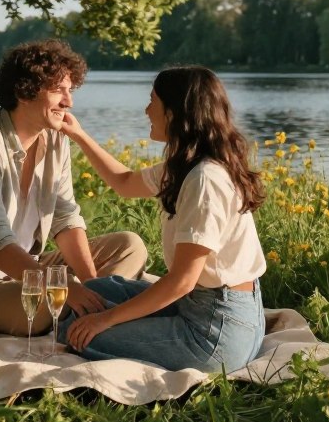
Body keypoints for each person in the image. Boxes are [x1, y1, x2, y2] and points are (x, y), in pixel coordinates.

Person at [0, 39, 148, 336]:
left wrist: (91, 284)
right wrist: (63, 288)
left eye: (70, 90)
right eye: (58, 90)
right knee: (46, 303)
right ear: (24, 91)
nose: (68, 102)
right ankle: (90, 318)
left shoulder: (55, 138)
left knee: (130, 246)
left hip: (30, 269)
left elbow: (65, 219)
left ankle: (93, 312)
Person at [56, 66, 266, 373]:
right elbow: (125, 183)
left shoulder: (205, 179)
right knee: (98, 291)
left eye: (152, 100)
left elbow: (181, 282)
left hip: (216, 332)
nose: (146, 110)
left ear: (174, 111)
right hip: (202, 306)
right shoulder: (187, 165)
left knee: (76, 332)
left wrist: (106, 320)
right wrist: (78, 134)